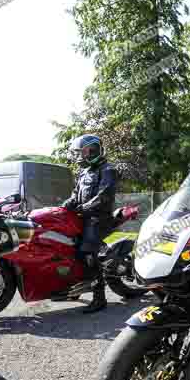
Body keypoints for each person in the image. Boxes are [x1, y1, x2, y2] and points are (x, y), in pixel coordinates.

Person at [61, 134, 118, 314]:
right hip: (84, 216)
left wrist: (82, 208)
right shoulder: (84, 172)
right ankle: (77, 287)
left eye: (84, 152)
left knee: (87, 253)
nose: (81, 156)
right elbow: (74, 194)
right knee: (68, 247)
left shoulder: (108, 169)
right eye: (79, 152)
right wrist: (64, 206)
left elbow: (103, 196)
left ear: (95, 150)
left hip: (98, 218)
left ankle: (99, 297)